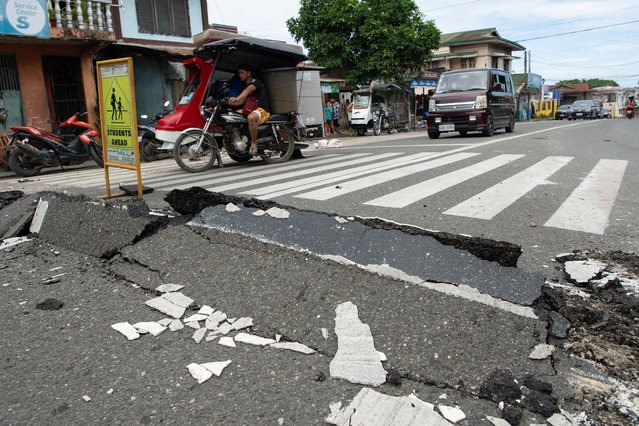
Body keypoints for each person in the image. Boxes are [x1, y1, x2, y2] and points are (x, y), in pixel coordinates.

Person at [228, 64, 270, 156]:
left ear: (248, 73)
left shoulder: (255, 82)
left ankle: (254, 143)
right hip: (250, 109)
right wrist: (226, 103)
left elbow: (247, 91)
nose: (240, 75)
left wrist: (237, 98)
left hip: (262, 109)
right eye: (239, 73)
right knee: (231, 115)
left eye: (242, 73)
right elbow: (241, 101)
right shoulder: (244, 85)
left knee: (251, 118)